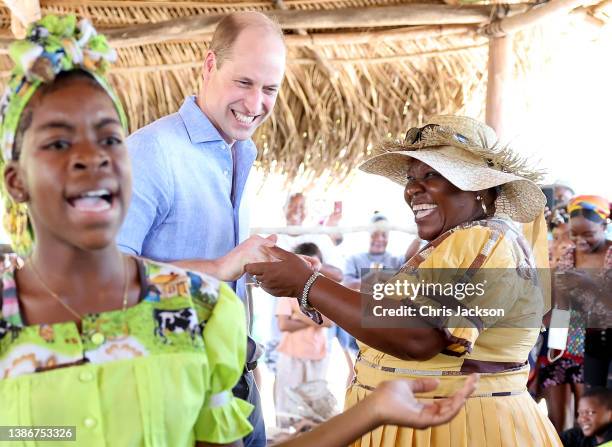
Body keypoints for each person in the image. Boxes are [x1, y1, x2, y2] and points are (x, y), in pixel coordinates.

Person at [0, 15, 252, 446]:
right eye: (59, 143)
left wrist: (370, 411)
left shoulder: (202, 310)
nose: (92, 157)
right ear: (16, 181)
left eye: (110, 139)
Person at [247, 116, 562, 446]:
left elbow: (420, 336)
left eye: (431, 175)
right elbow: (397, 309)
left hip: (456, 430)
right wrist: (327, 281)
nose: (412, 189)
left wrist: (306, 283)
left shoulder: (483, 242)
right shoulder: (461, 240)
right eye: (411, 178)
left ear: (478, 186)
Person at [117, 11, 287, 446]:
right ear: (209, 65)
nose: (255, 105)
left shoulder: (240, 152)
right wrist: (219, 264)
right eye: (244, 83)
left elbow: (222, 280)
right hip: (170, 393)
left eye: (269, 89)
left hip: (239, 383)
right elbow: (100, 280)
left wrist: (271, 268)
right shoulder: (150, 153)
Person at [274, 242, 333, 428]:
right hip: (292, 355)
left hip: (317, 356)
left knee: (316, 407)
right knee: (287, 407)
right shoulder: (287, 291)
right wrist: (314, 318)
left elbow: (329, 322)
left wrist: (299, 314)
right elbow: (284, 324)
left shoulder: (324, 292)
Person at [556, 196, 611, 389]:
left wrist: (590, 285)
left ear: (604, 226)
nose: (580, 241)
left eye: (588, 234)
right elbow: (561, 302)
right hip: (585, 340)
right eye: (574, 234)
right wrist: (558, 338)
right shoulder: (568, 256)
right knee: (593, 395)